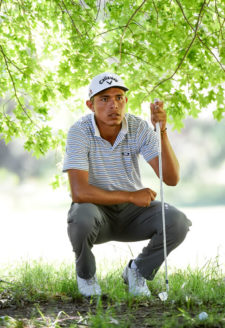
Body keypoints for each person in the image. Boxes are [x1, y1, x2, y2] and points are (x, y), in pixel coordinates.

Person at [63, 72, 192, 297]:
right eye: (104, 99)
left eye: (119, 97)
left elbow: (171, 178)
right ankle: (86, 276)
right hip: (96, 212)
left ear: (126, 101)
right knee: (80, 216)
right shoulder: (79, 131)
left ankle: (137, 271)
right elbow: (79, 192)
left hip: (132, 215)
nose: (113, 105)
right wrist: (131, 196)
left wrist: (161, 130)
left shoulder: (138, 127)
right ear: (90, 104)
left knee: (177, 221)